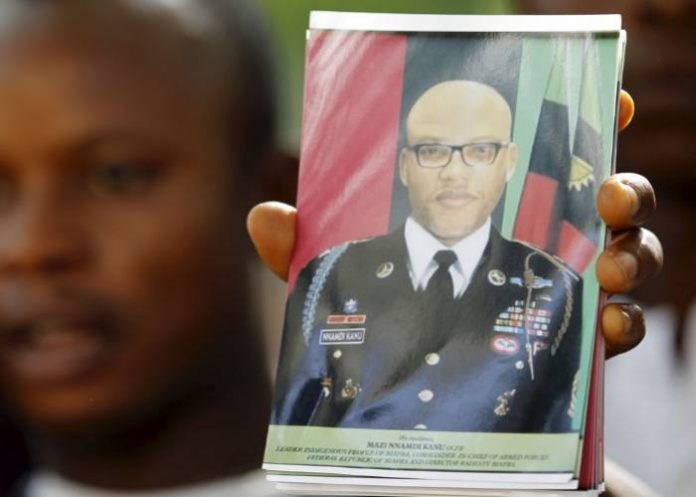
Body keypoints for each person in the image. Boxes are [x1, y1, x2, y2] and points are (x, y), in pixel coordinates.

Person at [0, 0, 661, 494]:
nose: (30, 246)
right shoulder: (339, 274)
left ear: (274, 190)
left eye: (115, 174)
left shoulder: (541, 292)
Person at [272, 79, 584, 432]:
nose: (454, 173)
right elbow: (293, 428)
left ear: (509, 162)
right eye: (432, 151)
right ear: (405, 165)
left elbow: (558, 437)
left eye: (480, 151)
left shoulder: (557, 286)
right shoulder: (330, 274)